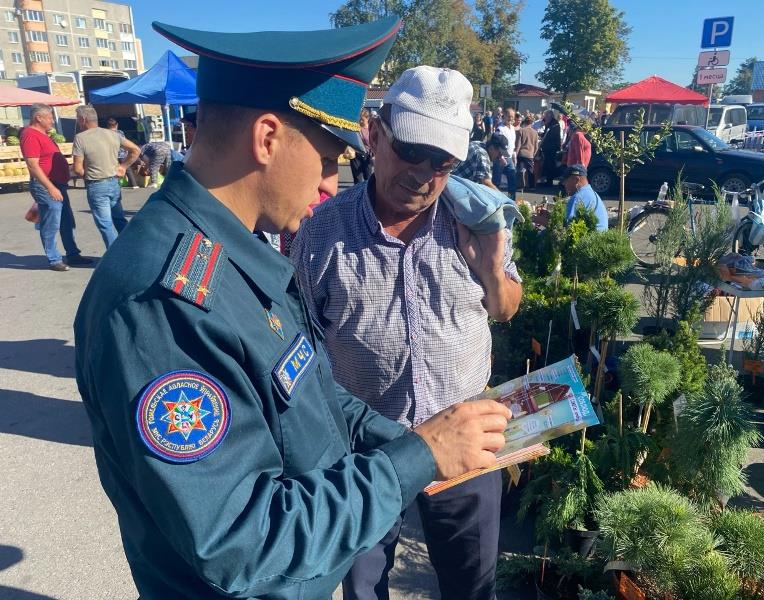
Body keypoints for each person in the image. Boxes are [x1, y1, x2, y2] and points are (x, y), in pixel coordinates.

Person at [73, 18, 511, 600]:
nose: (332, 183)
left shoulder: (236, 254)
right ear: (268, 138)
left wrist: (424, 446)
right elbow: (242, 541)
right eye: (329, 158)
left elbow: (321, 400)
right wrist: (417, 457)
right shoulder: (165, 302)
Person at [292, 65, 522, 600]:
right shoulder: (322, 231)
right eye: (412, 151)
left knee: (472, 585)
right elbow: (300, 341)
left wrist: (489, 268)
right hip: (366, 451)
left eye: (443, 162)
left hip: (467, 444)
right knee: (363, 585)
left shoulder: (475, 221)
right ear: (374, 134)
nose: (424, 174)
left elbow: (506, 307)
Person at [21, 103, 91, 271]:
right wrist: (50, 187)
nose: (53, 121)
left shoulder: (44, 135)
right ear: (39, 118)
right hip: (46, 185)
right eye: (50, 117)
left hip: (58, 184)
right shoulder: (30, 135)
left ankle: (73, 255)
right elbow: (32, 165)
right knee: (51, 222)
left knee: (67, 220)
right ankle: (54, 259)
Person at [72, 106, 140, 249]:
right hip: (114, 182)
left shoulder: (80, 138)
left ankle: (114, 257)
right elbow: (135, 150)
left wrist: (83, 173)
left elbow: (78, 169)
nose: (78, 122)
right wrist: (123, 166)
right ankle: (132, 248)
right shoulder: (113, 134)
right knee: (119, 219)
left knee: (105, 223)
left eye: (78, 119)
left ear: (83, 119)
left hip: (96, 184)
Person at [534, 164, 607, 231]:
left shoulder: (578, 198)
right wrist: (550, 216)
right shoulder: (590, 192)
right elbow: (567, 222)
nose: (563, 183)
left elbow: (565, 231)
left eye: (566, 180)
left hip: (587, 242)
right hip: (597, 238)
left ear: (576, 180)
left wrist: (540, 220)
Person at [106, 117, 139, 188]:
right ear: (116, 125)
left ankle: (116, 184)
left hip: (113, 154)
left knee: (113, 169)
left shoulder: (106, 133)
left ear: (108, 125)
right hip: (123, 154)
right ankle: (134, 184)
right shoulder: (120, 132)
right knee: (127, 169)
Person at [515, 116, 539, 191]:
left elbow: (518, 144)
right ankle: (532, 186)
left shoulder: (521, 131)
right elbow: (536, 146)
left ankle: (520, 186)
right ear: (532, 123)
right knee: (530, 171)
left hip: (521, 153)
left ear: (524, 122)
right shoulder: (535, 132)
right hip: (530, 154)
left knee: (520, 170)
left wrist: (515, 154)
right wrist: (533, 154)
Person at [349, 107, 372, 183]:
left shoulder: (372, 129)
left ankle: (368, 193)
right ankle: (358, 194)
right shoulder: (356, 128)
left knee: (368, 177)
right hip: (356, 155)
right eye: (359, 119)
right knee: (357, 179)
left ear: (367, 118)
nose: (360, 121)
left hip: (368, 155)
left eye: (362, 119)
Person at [539, 109, 561, 185]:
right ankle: (547, 179)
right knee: (547, 163)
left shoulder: (555, 124)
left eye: (546, 117)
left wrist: (543, 135)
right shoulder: (550, 123)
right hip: (548, 147)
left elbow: (550, 135)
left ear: (550, 116)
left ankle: (549, 180)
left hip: (552, 147)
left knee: (550, 164)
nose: (545, 119)